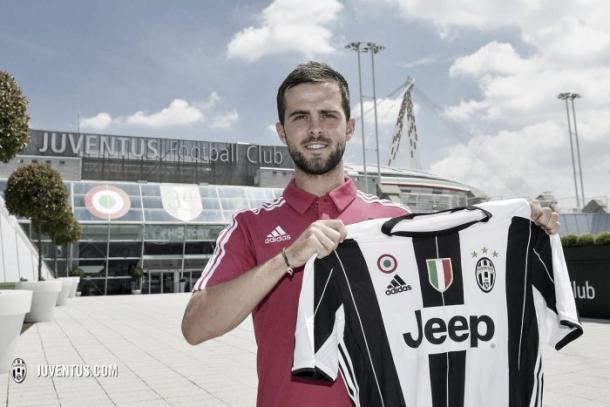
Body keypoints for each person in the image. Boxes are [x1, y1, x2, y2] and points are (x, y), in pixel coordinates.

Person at [181, 61, 560, 407]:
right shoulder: (250, 225)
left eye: (328, 115)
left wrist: (524, 232)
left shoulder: (395, 220)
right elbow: (195, 327)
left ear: (349, 126)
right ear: (282, 132)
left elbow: (458, 302)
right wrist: (285, 260)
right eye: (300, 117)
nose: (315, 129)